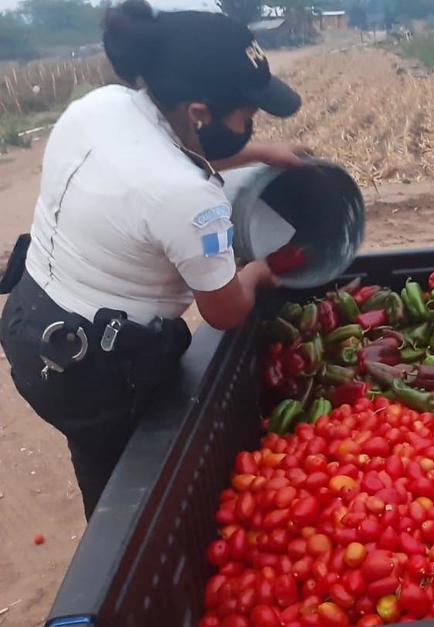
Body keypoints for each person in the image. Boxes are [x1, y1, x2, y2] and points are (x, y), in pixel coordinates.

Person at [0, 0, 307, 519]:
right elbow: (225, 311)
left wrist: (257, 152)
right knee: (131, 498)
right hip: (97, 372)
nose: (252, 120)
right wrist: (258, 271)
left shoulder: (100, 106)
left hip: (33, 325)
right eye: (247, 112)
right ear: (200, 112)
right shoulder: (191, 201)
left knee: (98, 459)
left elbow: (164, 150)